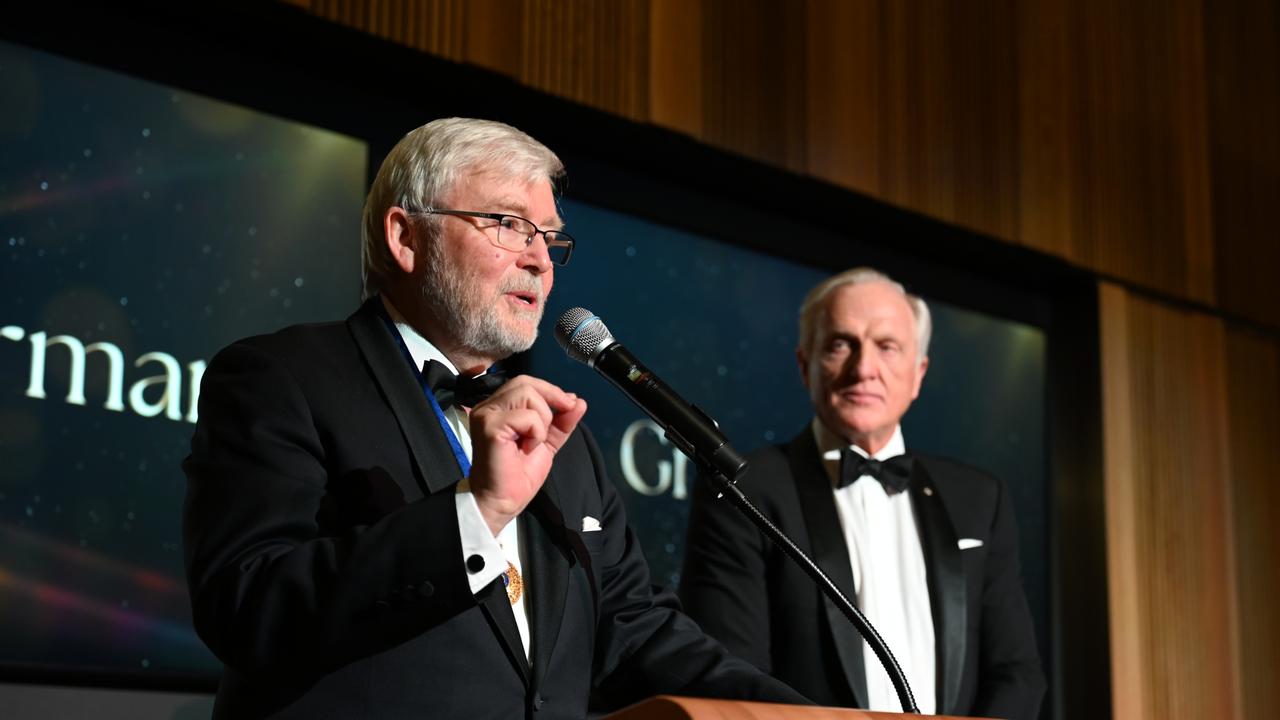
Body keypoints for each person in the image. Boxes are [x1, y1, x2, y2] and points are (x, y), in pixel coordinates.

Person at [182, 117, 808, 719]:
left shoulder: (565, 442)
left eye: (549, 237)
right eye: (510, 224)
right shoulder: (282, 377)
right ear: (406, 238)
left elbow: (638, 634)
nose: (540, 259)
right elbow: (248, 606)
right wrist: (474, 510)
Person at [679, 267, 1046, 720]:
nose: (864, 369)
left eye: (887, 347)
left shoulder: (978, 498)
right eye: (839, 344)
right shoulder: (745, 490)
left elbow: (1016, 672)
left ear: (918, 374)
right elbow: (732, 673)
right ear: (804, 365)